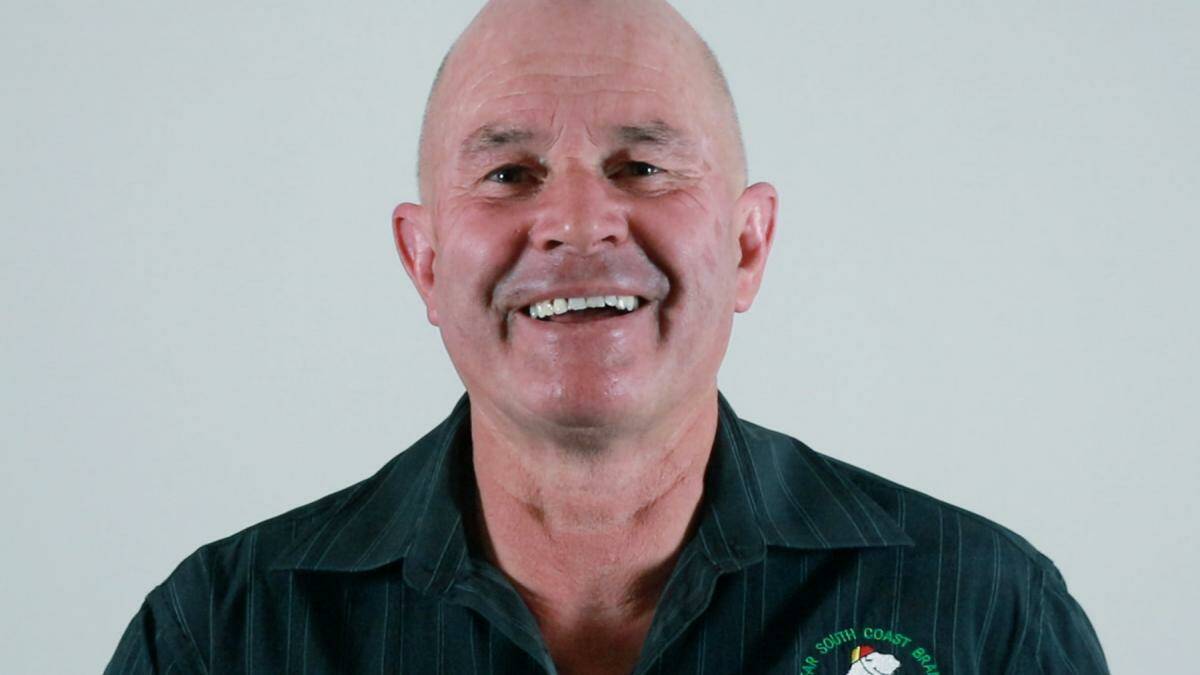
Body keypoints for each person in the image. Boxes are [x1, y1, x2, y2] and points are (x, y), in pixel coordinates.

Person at [105, 1, 1110, 673]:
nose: (580, 223)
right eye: (509, 174)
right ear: (424, 261)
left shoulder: (987, 614)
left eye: (643, 167)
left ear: (748, 244)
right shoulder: (222, 633)